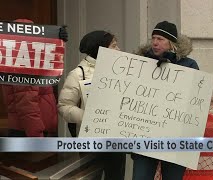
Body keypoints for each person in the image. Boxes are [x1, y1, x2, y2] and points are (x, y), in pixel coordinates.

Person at [132, 21, 199, 180]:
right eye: (153, 38)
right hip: (145, 137)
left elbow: (194, 98)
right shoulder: (140, 62)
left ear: (171, 42)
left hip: (175, 138)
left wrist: (171, 69)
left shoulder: (188, 65)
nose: (155, 42)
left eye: (160, 39)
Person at [58, 30, 125, 180]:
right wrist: (88, 116)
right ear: (100, 48)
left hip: (115, 141)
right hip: (90, 141)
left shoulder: (121, 72)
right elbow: (64, 106)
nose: (119, 50)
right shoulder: (78, 74)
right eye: (114, 46)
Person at [1, 19, 68, 137]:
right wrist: (37, 137)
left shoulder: (26, 59)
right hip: (28, 132)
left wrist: (58, 39)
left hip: (32, 129)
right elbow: (27, 105)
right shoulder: (23, 63)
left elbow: (51, 56)